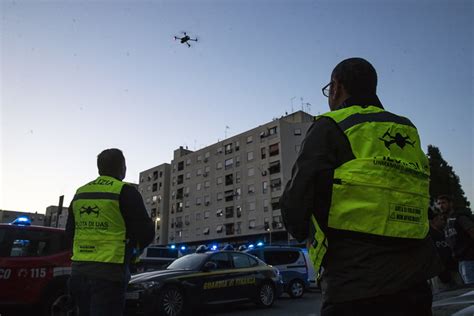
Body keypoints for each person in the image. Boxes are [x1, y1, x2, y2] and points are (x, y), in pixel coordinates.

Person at [281, 58, 442, 316]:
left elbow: (296, 201)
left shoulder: (330, 125)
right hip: (414, 284)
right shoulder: (406, 129)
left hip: (354, 285)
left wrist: (300, 228)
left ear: (336, 87)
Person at [66, 148, 154, 316]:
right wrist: (134, 252)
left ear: (99, 169)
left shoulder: (80, 193)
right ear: (122, 168)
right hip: (109, 275)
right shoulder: (125, 192)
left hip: (78, 272)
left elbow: (70, 232)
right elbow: (146, 231)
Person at [437, 194, 474, 284]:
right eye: (439, 203)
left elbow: (472, 230)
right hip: (460, 260)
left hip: (469, 258)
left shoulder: (459, 217)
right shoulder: (447, 222)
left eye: (443, 203)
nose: (441, 206)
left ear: (451, 204)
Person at [428, 206, 462, 292]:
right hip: (440, 274)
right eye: (440, 219)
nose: (443, 221)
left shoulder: (445, 232)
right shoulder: (429, 236)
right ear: (433, 221)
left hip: (454, 269)